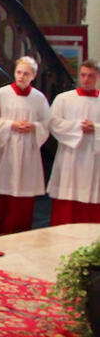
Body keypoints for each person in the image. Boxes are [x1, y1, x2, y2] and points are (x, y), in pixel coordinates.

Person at [0, 56, 50, 234]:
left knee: (24, 189)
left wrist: (34, 127)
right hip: (6, 148)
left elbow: (46, 123)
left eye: (26, 73)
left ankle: (22, 228)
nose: (21, 76)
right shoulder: (2, 93)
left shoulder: (38, 98)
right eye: (19, 72)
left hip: (27, 149)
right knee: (3, 187)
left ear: (33, 76)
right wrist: (11, 125)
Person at [47, 59, 100, 225]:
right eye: (83, 75)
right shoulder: (64, 99)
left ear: (97, 77)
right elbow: (53, 123)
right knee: (67, 194)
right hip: (70, 155)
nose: (86, 79)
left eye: (90, 76)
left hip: (94, 158)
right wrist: (78, 127)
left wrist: (96, 128)